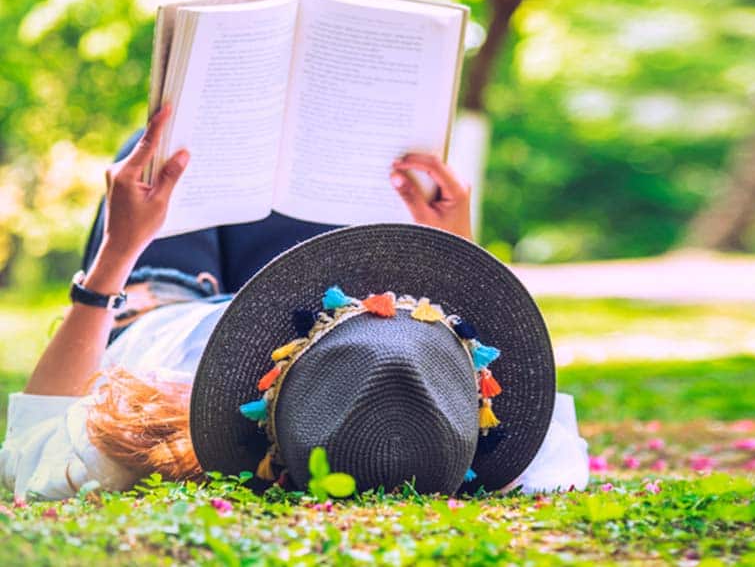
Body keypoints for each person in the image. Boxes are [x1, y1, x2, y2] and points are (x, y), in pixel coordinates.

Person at [1, 107, 588, 500]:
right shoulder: (521, 460)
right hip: (316, 300)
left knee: (177, 138)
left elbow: (29, 446)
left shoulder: (130, 442)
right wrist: (455, 239)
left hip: (159, 301)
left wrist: (118, 251)